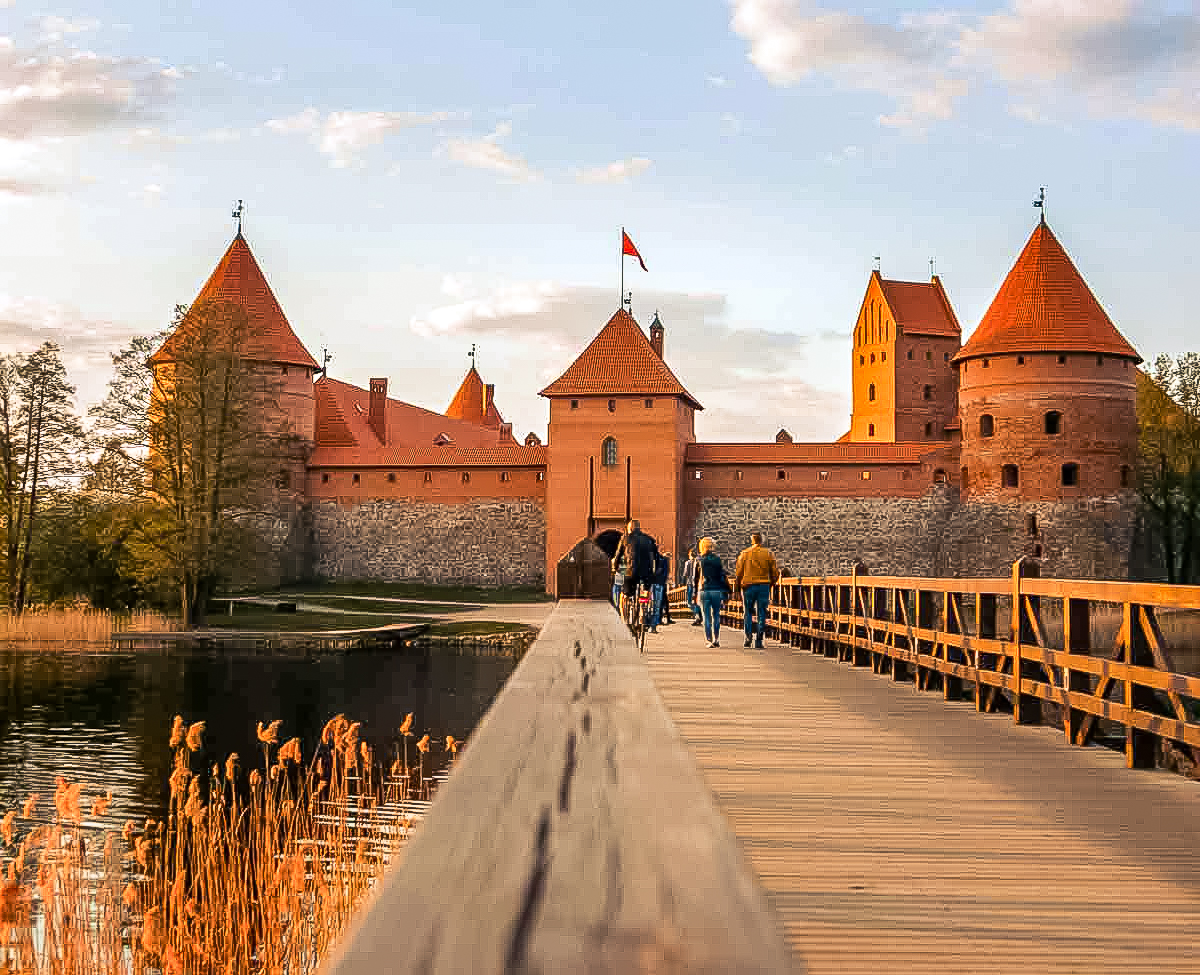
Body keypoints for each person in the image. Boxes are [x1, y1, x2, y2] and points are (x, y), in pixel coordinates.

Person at [734, 531, 781, 649]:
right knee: (761, 613)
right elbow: (775, 571)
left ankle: (748, 638)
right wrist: (772, 583)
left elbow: (739, 571)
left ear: (752, 540)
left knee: (748, 613)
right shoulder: (768, 553)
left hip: (748, 586)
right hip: (763, 585)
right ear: (761, 540)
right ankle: (759, 640)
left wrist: (737, 586)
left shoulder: (745, 553)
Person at [612, 519, 657, 624]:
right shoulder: (649, 539)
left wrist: (615, 569)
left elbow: (617, 556)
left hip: (631, 572)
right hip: (647, 573)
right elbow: (657, 557)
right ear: (639, 528)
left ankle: (625, 621)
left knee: (624, 596)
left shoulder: (625, 538)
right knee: (646, 591)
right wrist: (655, 572)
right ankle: (642, 612)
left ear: (630, 529)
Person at [697, 536, 730, 648]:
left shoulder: (699, 560)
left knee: (706, 617)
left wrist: (695, 593)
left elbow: (696, 578)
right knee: (716, 615)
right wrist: (726, 590)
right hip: (716, 590)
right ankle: (716, 639)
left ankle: (709, 640)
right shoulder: (717, 559)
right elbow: (722, 575)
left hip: (704, 590)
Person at [649, 549, 670, 633]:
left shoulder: (646, 558)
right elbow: (665, 573)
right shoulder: (663, 560)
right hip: (658, 584)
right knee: (656, 606)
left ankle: (646, 624)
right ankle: (653, 626)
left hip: (648, 585)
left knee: (649, 605)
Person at [682, 547, 702, 625]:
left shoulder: (688, 562)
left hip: (690, 583)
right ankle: (698, 615)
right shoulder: (699, 561)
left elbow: (685, 573)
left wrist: (683, 581)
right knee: (697, 601)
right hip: (698, 584)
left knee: (689, 602)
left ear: (689, 554)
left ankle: (697, 616)